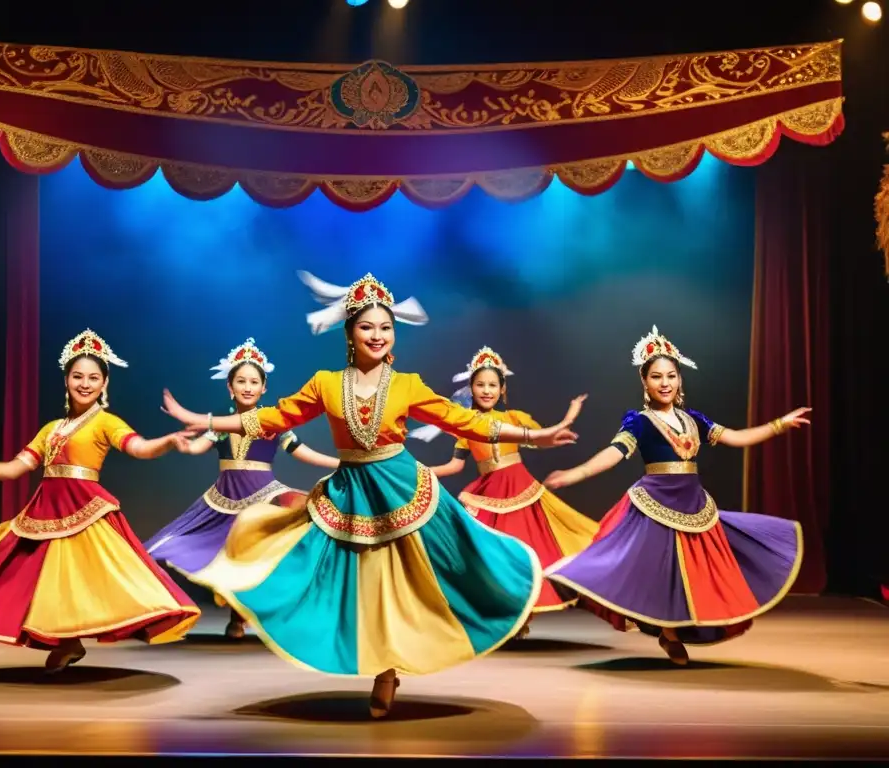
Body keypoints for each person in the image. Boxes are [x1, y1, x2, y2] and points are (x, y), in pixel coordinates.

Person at [159, 271, 584, 717]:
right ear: (349, 333)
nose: (377, 335)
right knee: (358, 580)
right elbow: (271, 419)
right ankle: (378, 662)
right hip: (351, 491)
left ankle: (389, 670)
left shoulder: (407, 384)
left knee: (411, 577)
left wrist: (536, 437)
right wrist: (206, 420)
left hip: (400, 487)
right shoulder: (325, 383)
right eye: (367, 326)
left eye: (385, 327)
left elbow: (466, 421)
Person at [0, 329, 202, 672]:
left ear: (105, 384)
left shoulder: (106, 422)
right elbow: (15, 469)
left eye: (93, 377)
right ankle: (68, 643)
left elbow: (139, 448)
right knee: (45, 578)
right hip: (47, 510)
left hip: (86, 509)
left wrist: (167, 441)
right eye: (78, 376)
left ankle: (114, 625)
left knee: (97, 578)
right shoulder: (51, 429)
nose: (85, 383)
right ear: (66, 380)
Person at [544, 325, 807, 665]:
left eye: (671, 375)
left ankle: (674, 631)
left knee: (696, 570)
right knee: (655, 569)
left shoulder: (693, 419)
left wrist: (780, 424)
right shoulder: (638, 421)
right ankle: (666, 632)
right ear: (645, 382)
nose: (665, 383)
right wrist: (575, 474)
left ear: (679, 380)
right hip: (654, 503)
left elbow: (737, 438)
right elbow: (613, 453)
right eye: (656, 376)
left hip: (693, 503)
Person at [145, 337, 338, 639]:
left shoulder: (275, 421)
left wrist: (340, 463)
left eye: (253, 382)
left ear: (264, 388)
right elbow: (197, 448)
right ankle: (229, 617)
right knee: (201, 551)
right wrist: (181, 444)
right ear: (230, 387)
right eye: (241, 381)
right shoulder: (219, 424)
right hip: (224, 498)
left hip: (264, 496)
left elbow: (302, 451)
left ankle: (262, 616)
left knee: (258, 552)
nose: (247, 387)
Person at [409, 346, 599, 637]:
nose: (486, 390)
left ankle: (523, 612)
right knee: (487, 556)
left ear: (502, 388)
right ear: (471, 388)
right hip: (489, 494)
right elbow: (455, 465)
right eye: (480, 385)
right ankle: (499, 613)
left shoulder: (515, 418)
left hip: (521, 489)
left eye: (492, 385)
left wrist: (566, 423)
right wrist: (416, 471)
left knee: (534, 550)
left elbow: (540, 439)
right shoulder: (466, 425)